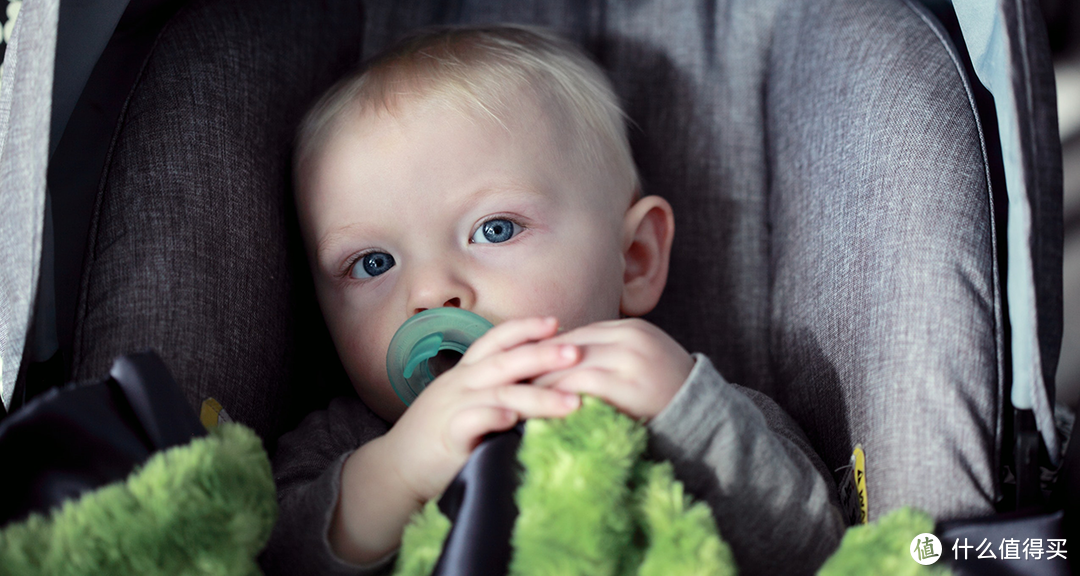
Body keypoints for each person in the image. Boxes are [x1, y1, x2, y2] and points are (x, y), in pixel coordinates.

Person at [263, 24, 846, 576]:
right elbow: (267, 556)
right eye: (373, 264)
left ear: (635, 258)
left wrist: (691, 417)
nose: (429, 292)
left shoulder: (683, 405)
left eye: (495, 229)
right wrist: (397, 472)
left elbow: (819, 548)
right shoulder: (352, 443)